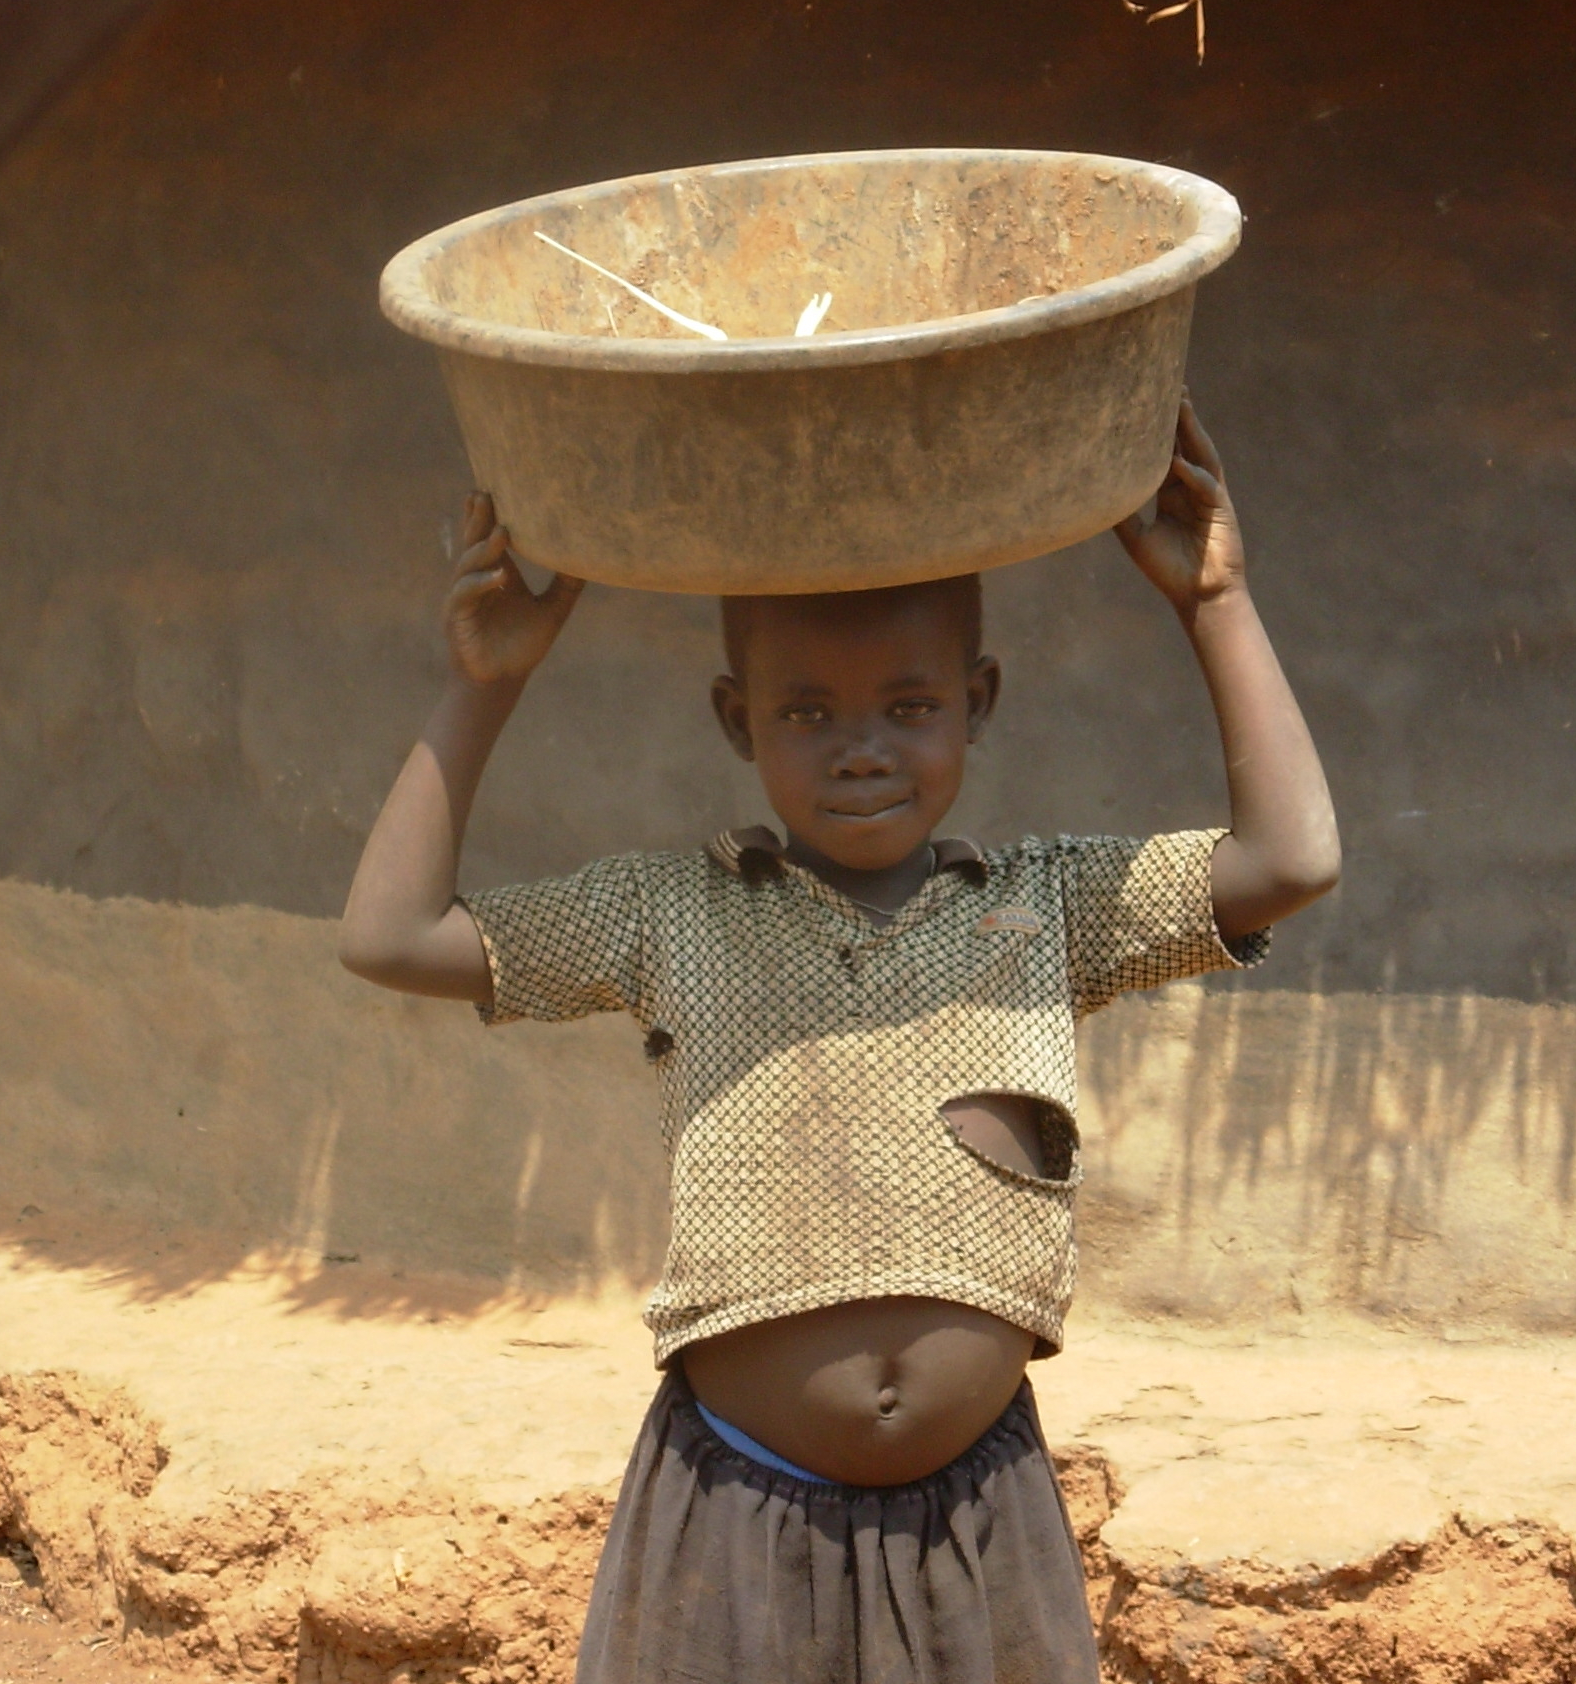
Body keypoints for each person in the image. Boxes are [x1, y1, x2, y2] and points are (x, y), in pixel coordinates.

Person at [339, 397, 1340, 1683]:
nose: (861, 749)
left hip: (977, 1528)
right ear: (732, 719)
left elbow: (1290, 858)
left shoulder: (1042, 905)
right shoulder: (670, 910)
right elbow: (389, 934)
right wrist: (486, 684)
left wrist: (1215, 607)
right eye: (804, 714)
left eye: (909, 706)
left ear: (975, 702)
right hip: (731, 1525)